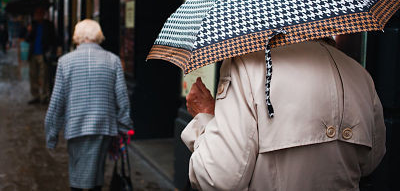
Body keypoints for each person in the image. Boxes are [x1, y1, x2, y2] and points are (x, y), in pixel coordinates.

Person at [183, 39, 386, 190]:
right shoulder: (358, 73)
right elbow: (370, 162)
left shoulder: (247, 62)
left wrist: (205, 117)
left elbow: (218, 177)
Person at [45, 19, 133, 191]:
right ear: (98, 36)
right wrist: (124, 127)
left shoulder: (65, 61)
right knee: (97, 173)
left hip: (76, 126)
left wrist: (51, 134)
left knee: (77, 172)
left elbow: (57, 102)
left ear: (77, 37)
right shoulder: (113, 60)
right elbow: (122, 98)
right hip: (103, 126)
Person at [25, 7, 56, 104]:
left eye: (40, 13)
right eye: (36, 13)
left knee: (44, 76)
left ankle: (44, 96)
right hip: (33, 53)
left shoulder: (48, 25)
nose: (38, 15)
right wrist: (29, 31)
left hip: (43, 53)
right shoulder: (33, 25)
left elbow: (53, 38)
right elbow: (27, 39)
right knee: (33, 75)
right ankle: (36, 95)